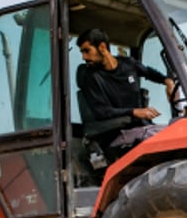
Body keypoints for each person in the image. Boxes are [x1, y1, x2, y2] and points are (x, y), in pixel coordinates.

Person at [75, 28, 175, 156]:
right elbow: (102, 112)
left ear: (102, 47)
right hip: (117, 134)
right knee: (165, 137)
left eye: (87, 51)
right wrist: (134, 112)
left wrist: (168, 82)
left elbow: (149, 72)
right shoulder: (91, 77)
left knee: (178, 130)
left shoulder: (128, 64)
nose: (84, 57)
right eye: (82, 52)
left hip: (142, 128)